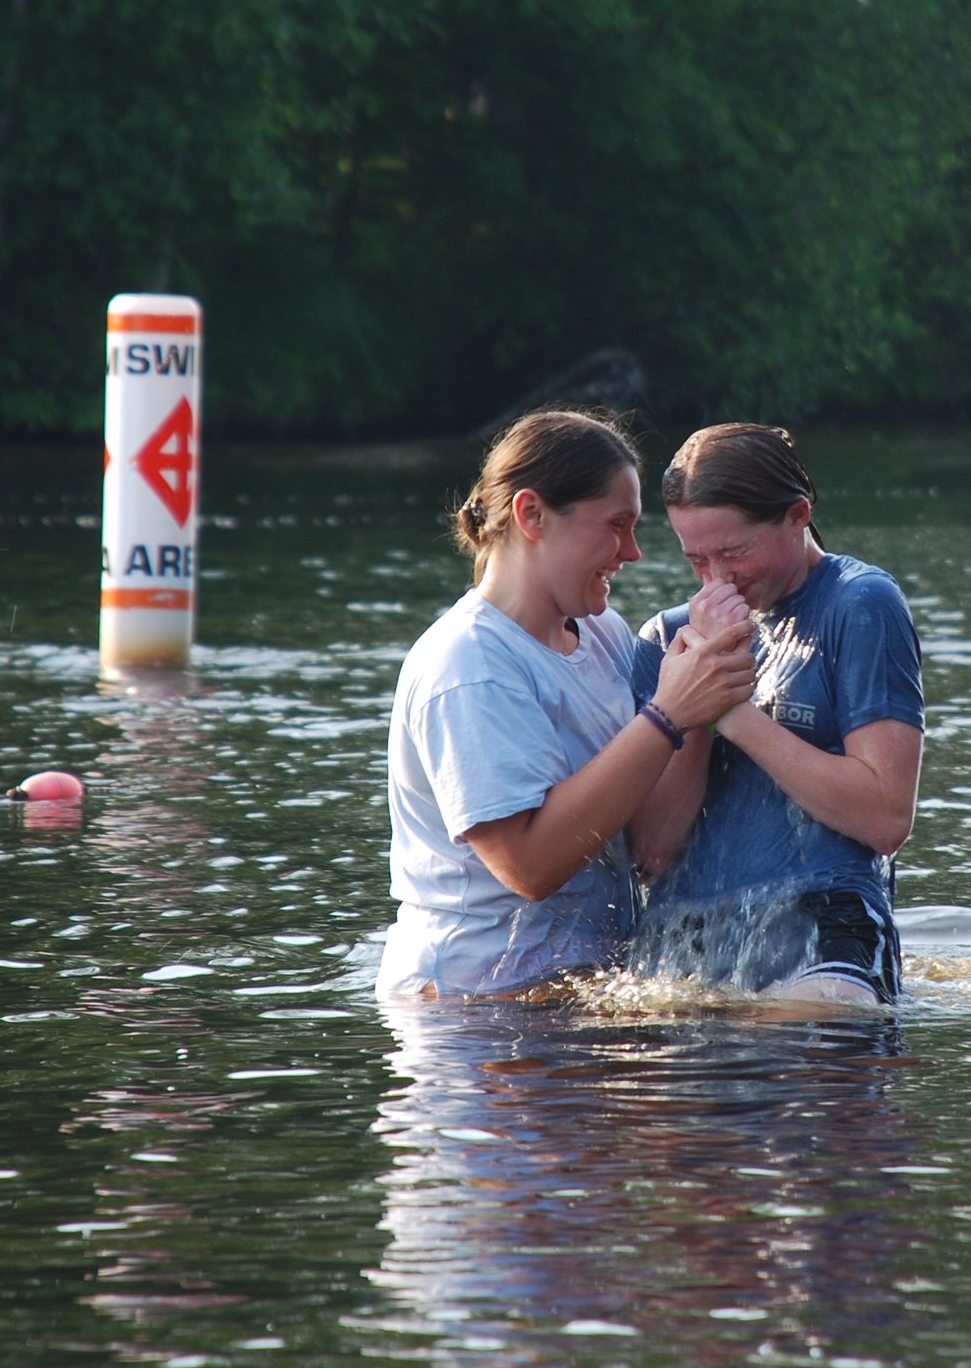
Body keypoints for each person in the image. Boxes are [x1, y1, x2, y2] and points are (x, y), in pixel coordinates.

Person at [380, 409, 756, 998]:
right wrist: (667, 715)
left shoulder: (603, 631)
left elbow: (644, 847)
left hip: (577, 992)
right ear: (532, 515)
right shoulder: (468, 665)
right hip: (475, 1011)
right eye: (616, 524)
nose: (631, 552)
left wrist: (703, 705)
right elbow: (527, 867)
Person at [628, 424, 924, 1005]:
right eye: (696, 561)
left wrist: (733, 713)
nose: (718, 577)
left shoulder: (860, 603)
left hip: (825, 926)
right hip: (684, 936)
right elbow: (653, 853)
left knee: (824, 1019)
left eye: (735, 552)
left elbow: (887, 817)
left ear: (797, 515)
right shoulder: (666, 638)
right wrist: (688, 708)